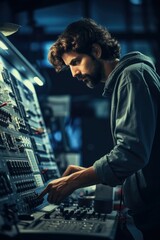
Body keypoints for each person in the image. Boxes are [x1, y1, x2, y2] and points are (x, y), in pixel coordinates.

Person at [39, 18, 160, 239]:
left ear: (95, 50)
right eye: (70, 67)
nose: (73, 73)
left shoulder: (132, 76)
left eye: (76, 62)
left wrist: (75, 181)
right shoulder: (126, 79)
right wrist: (88, 172)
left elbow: (131, 153)